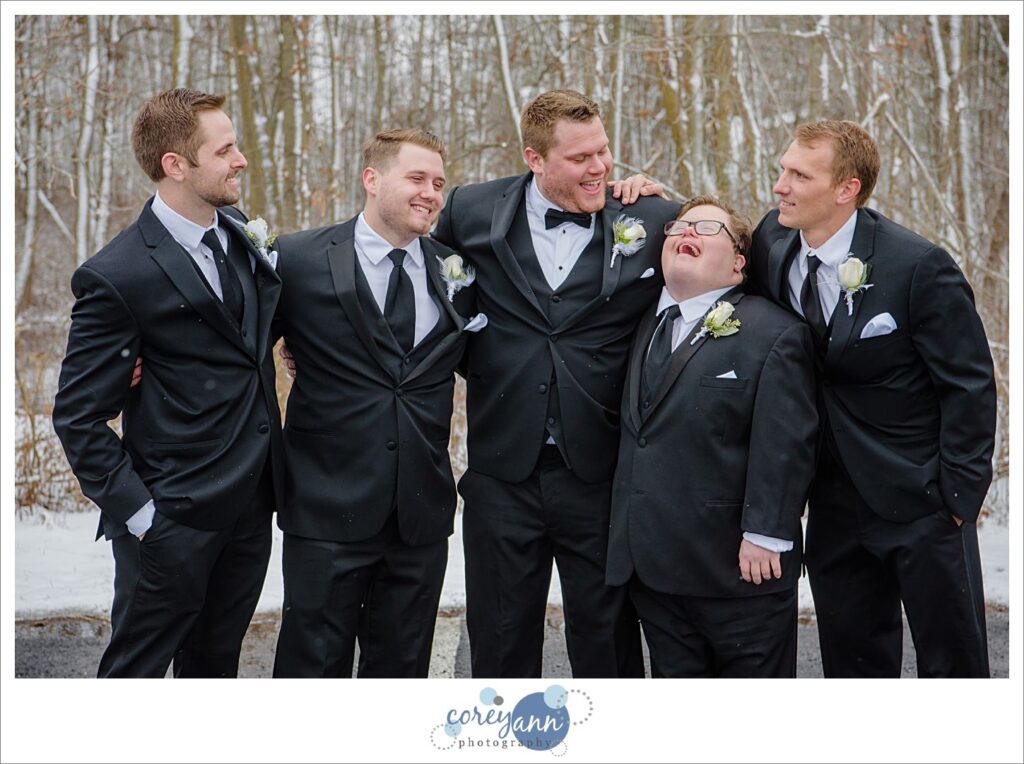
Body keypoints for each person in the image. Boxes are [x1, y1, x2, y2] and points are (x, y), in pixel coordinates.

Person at [432, 89, 680, 678]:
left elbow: (721, 267)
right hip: (500, 471)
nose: (598, 168)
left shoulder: (650, 218)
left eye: (603, 151)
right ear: (535, 158)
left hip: (601, 471)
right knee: (497, 641)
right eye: (579, 158)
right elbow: (422, 288)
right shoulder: (470, 210)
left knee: (607, 642)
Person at [748, 119, 996, 677]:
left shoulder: (918, 266)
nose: (779, 186)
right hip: (832, 505)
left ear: (846, 189)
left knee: (953, 666)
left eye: (797, 175)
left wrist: (957, 498)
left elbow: (969, 384)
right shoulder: (772, 240)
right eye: (782, 170)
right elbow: (711, 254)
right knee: (853, 666)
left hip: (922, 501)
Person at [51, 88, 283, 678]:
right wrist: (143, 517)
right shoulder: (116, 275)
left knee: (214, 671)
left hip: (250, 512)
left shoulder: (239, 235)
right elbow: (77, 418)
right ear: (175, 165)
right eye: (225, 149)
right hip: (170, 520)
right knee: (136, 675)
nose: (241, 160)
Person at [270, 129, 479, 678]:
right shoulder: (296, 258)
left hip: (420, 517)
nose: (431, 193)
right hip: (324, 508)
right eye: (416, 178)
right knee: (311, 672)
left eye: (438, 182)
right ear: (372, 179)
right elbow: (233, 349)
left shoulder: (457, 271)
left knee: (401, 674)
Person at [606, 195, 818, 677]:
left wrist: (766, 533)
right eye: (679, 227)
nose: (686, 234)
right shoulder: (641, 322)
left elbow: (786, 442)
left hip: (737, 571)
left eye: (706, 229)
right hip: (655, 571)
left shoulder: (774, 332)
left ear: (740, 263)